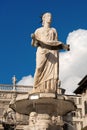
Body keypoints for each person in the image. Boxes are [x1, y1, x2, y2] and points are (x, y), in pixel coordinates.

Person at [31, 12, 69, 93]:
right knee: (38, 68)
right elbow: (34, 44)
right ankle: (35, 87)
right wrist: (34, 39)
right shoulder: (38, 30)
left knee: (52, 72)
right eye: (48, 16)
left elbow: (55, 42)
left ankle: (50, 88)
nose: (50, 17)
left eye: (51, 16)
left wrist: (62, 46)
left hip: (52, 52)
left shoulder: (53, 30)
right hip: (42, 51)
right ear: (43, 19)